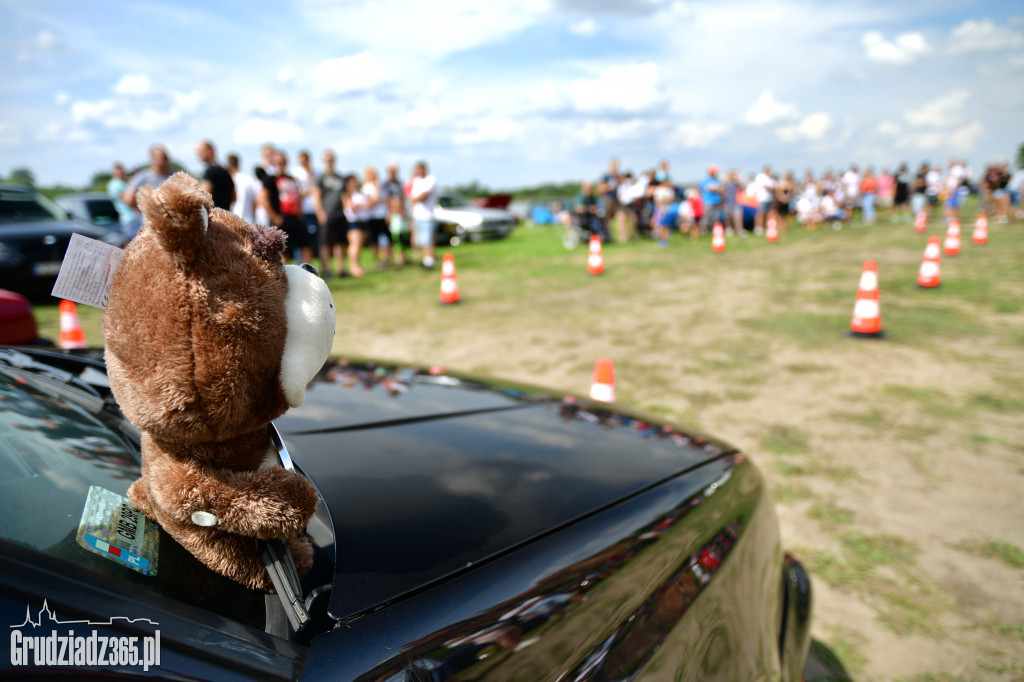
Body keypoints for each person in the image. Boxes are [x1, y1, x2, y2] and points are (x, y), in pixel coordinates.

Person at [257, 151, 313, 265]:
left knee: (306, 245)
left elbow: (297, 195)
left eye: (283, 161)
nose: (281, 163)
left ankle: (306, 271)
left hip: (295, 218)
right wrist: (274, 216)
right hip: (281, 218)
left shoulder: (292, 179)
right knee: (284, 250)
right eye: (278, 161)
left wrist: (300, 212)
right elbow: (262, 199)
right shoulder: (270, 179)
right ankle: (286, 275)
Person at [122, 144, 172, 242]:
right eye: (163, 157)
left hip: (171, 227)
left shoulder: (173, 175)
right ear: (153, 159)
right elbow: (127, 198)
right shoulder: (143, 177)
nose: (166, 160)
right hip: (150, 227)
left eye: (166, 157)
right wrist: (145, 207)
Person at [313, 149, 349, 278]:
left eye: (331, 158)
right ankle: (327, 270)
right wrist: (321, 213)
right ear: (324, 160)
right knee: (325, 243)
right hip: (326, 214)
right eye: (327, 158)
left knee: (340, 242)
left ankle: (341, 269)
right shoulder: (321, 178)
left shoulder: (340, 178)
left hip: (340, 214)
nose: (329, 160)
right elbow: (316, 196)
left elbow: (345, 196)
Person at [409, 161, 438, 269]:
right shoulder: (416, 181)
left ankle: (429, 261)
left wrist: (416, 198)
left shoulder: (431, 179)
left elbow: (422, 196)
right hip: (417, 216)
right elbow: (411, 196)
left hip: (427, 216)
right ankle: (426, 259)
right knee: (421, 240)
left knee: (427, 240)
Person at [293, 150, 320, 259]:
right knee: (302, 241)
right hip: (302, 211)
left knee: (314, 241)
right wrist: (308, 191)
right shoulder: (295, 173)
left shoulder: (316, 172)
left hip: (315, 210)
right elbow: (294, 192)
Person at [362, 166, 391, 267]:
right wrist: (377, 195)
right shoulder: (366, 187)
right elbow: (371, 202)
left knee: (387, 239)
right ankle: (377, 261)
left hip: (383, 216)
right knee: (374, 241)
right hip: (373, 217)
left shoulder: (381, 186)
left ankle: (388, 259)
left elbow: (387, 201)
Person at [194, 140, 234, 210]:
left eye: (200, 151)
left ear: (210, 151)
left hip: (213, 217)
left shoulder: (211, 171)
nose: (198, 155)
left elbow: (202, 195)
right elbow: (234, 197)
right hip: (226, 215)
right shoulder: (226, 171)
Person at [343, 173, 369, 277]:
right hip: (354, 222)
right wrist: (362, 206)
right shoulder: (347, 195)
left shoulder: (360, 193)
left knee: (359, 245)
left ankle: (357, 265)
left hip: (362, 222)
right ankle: (353, 267)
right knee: (355, 244)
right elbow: (352, 207)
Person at [226, 153, 257, 224]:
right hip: (249, 220)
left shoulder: (230, 180)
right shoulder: (249, 179)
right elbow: (255, 201)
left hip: (233, 220)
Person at [106, 163, 134, 240]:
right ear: (113, 173)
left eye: (122, 171)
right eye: (119, 172)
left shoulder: (124, 182)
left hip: (134, 218)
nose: (121, 173)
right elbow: (128, 200)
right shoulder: (115, 184)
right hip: (129, 219)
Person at [699, 165, 723, 235]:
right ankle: (703, 230)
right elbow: (709, 189)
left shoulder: (716, 180)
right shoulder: (705, 179)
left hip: (716, 200)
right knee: (707, 216)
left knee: (715, 217)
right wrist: (718, 189)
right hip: (708, 201)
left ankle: (713, 230)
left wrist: (718, 189)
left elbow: (722, 189)